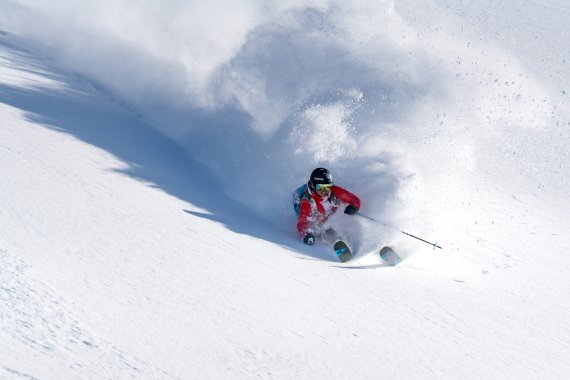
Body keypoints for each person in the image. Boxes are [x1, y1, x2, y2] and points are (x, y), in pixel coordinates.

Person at [293, 168, 361, 245]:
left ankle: (347, 239)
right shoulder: (307, 201)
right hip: (309, 212)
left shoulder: (334, 191)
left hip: (327, 213)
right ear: (313, 186)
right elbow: (302, 222)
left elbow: (354, 199)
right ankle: (333, 238)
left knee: (335, 217)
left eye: (327, 187)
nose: (324, 191)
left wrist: (354, 207)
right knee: (320, 228)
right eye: (321, 187)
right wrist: (307, 234)